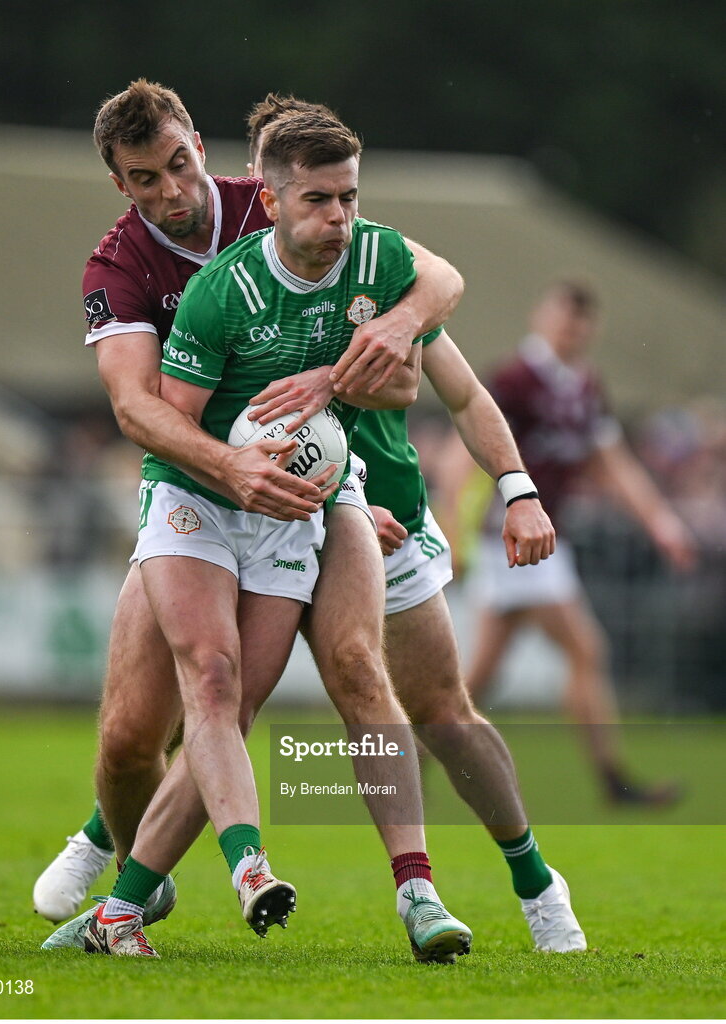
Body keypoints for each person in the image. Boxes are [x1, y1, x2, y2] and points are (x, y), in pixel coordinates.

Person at [38, 85, 471, 962]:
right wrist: (231, 464)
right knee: (132, 738)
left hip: (317, 486)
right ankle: (127, 870)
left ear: (201, 144)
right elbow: (136, 407)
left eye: (181, 163)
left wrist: (396, 327)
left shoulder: (282, 200)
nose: (172, 189)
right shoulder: (118, 268)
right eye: (145, 178)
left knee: (346, 670)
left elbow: (437, 284)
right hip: (199, 485)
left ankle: (423, 891)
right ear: (120, 183)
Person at [241, 102, 586, 955]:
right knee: (212, 703)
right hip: (256, 524)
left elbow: (464, 394)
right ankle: (127, 881)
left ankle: (536, 881)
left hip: (390, 523)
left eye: (349, 198)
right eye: (321, 199)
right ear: (268, 195)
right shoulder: (228, 278)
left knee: (442, 712)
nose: (340, 217)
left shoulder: (385, 270)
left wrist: (518, 489)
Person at [439, 279, 698, 804]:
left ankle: (404, 763)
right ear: (542, 316)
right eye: (564, 317)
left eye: (581, 322)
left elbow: (610, 462)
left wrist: (659, 521)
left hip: (543, 542)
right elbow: (464, 449)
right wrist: (453, 531)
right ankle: (613, 781)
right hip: (513, 541)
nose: (571, 329)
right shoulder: (515, 380)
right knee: (587, 650)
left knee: (476, 680)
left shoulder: (583, 386)